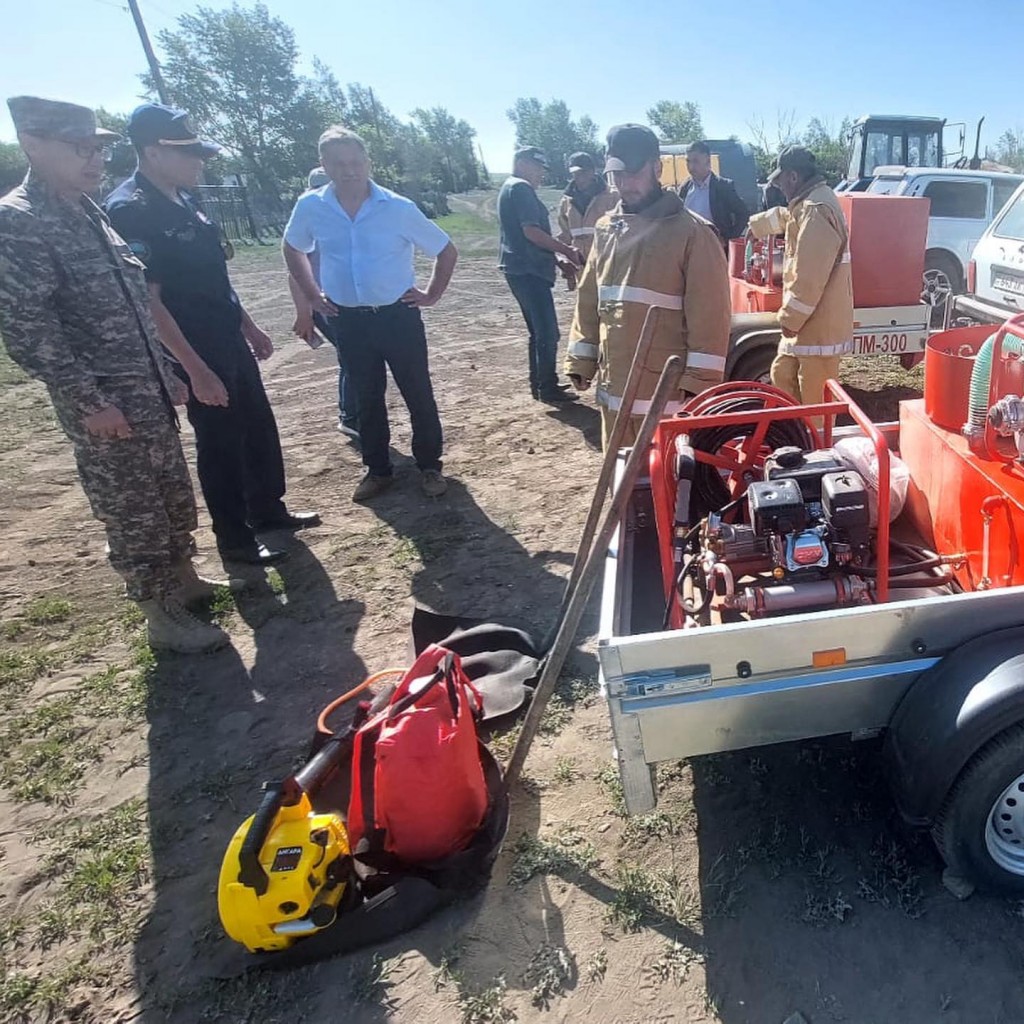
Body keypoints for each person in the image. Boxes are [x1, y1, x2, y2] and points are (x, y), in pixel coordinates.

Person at [0, 96, 229, 654]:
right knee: (133, 509)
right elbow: (30, 329)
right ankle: (160, 613)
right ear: (33, 145)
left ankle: (185, 580)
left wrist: (166, 371)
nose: (95, 159)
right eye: (80, 148)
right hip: (106, 404)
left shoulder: (90, 211)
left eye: (99, 148)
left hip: (146, 389)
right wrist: (89, 401)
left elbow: (133, 303)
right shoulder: (19, 222)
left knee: (170, 493)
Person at [105, 103, 320, 567]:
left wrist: (248, 324)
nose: (199, 162)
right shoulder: (131, 210)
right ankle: (236, 540)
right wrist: (195, 369)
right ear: (152, 152)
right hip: (192, 345)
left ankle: (267, 510)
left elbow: (213, 278)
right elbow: (149, 301)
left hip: (226, 334)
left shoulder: (188, 199)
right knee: (221, 442)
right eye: (189, 153)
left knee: (256, 426)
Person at [283, 126, 457, 502]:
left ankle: (430, 466)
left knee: (417, 391)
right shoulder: (311, 206)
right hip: (347, 319)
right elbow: (293, 248)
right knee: (366, 396)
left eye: (356, 162)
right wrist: (311, 295)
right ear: (324, 165)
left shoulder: (397, 207)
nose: (349, 170)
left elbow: (445, 250)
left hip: (397, 316)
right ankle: (378, 470)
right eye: (339, 163)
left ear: (368, 163)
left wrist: (431, 294)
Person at [564, 124, 732, 449]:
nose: (625, 184)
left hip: (665, 404)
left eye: (634, 173)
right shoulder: (606, 229)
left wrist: (698, 386)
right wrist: (581, 360)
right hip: (614, 396)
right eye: (617, 175)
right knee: (618, 474)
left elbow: (711, 318)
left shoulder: (692, 234)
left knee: (663, 478)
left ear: (657, 167)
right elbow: (589, 300)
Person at [747, 145, 853, 413]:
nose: (779, 187)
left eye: (780, 180)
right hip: (808, 326)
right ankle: (794, 431)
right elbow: (788, 217)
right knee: (782, 374)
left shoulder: (816, 209)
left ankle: (814, 438)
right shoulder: (809, 204)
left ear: (793, 176)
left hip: (817, 330)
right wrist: (758, 225)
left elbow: (810, 277)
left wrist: (790, 318)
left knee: (814, 400)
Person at [498, 146, 584, 403]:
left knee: (539, 332)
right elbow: (532, 233)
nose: (541, 174)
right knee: (547, 332)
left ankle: (540, 384)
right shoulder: (521, 188)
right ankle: (546, 387)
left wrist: (557, 259)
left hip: (521, 269)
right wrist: (566, 251)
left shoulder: (511, 188)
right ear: (522, 163)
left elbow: (530, 237)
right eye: (537, 167)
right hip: (528, 270)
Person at [288, 166, 360, 440]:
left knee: (352, 355)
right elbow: (295, 274)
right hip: (324, 303)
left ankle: (353, 414)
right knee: (353, 357)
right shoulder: (312, 220)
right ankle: (350, 416)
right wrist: (304, 313)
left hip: (336, 302)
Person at [678, 140, 749, 242]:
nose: (691, 167)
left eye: (696, 161)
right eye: (688, 161)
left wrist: (729, 238)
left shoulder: (723, 187)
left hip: (715, 247)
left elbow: (743, 214)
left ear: (707, 160)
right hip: (690, 246)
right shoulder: (685, 187)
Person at [556, 152, 617, 263]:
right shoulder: (567, 201)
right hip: (578, 261)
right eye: (576, 173)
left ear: (593, 171)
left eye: (584, 172)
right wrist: (564, 258)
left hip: (605, 260)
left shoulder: (613, 196)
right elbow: (564, 235)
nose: (580, 177)